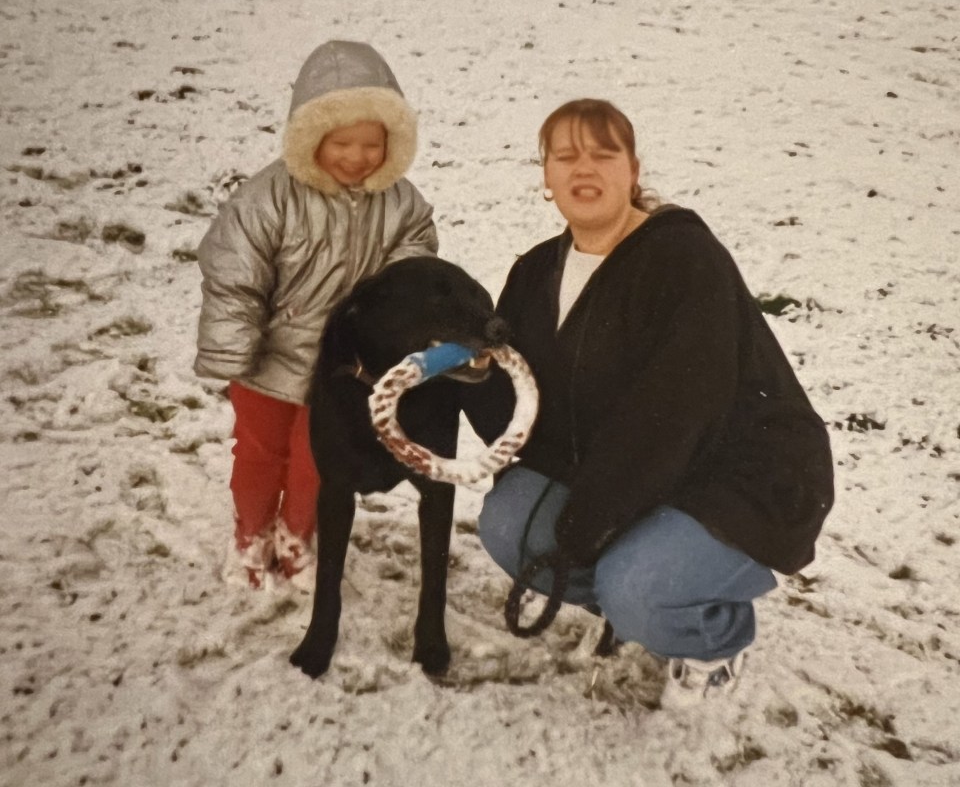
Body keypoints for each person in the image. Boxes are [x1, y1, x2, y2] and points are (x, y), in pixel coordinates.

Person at [467, 98, 834, 707]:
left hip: (737, 475)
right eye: (566, 156)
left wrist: (587, 523)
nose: (584, 169)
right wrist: (466, 372)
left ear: (633, 169)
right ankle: (634, 591)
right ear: (546, 176)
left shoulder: (685, 259)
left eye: (603, 153)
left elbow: (677, 413)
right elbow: (520, 405)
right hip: (625, 473)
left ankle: (713, 635)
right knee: (509, 523)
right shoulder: (536, 271)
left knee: (635, 584)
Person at [194, 41, 438, 590]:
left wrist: (388, 319)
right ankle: (251, 532)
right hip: (267, 362)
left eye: (371, 144)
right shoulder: (269, 198)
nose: (357, 157)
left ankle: (297, 536)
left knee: (318, 460)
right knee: (260, 453)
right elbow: (235, 269)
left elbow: (414, 259)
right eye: (341, 143)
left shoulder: (399, 203)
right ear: (312, 139)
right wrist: (234, 345)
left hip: (340, 370)